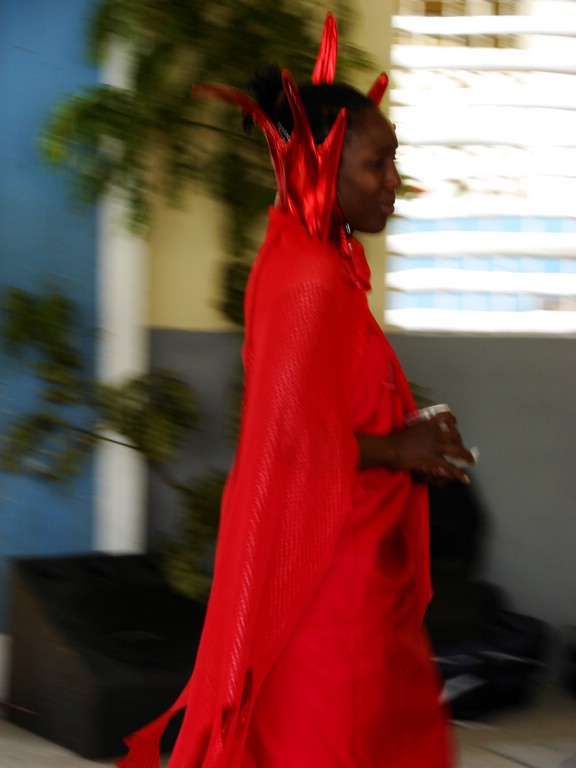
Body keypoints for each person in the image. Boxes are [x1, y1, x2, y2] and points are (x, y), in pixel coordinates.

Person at [118, 13, 475, 768]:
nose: (395, 182)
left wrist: (408, 432)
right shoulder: (310, 276)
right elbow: (288, 446)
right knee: (330, 742)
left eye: (395, 160)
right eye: (378, 163)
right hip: (326, 586)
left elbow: (321, 407)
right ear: (326, 166)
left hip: (350, 569)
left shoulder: (315, 258)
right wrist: (399, 447)